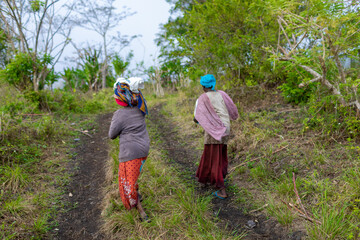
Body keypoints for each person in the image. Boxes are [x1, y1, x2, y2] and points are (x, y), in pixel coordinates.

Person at [108, 77, 150, 221]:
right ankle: (138, 199)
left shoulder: (119, 114)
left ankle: (138, 208)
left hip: (130, 154)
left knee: (128, 184)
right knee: (133, 177)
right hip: (144, 151)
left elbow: (111, 135)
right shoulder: (140, 110)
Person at [194, 74, 239, 199]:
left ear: (203, 86)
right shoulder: (222, 94)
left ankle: (221, 188)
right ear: (213, 84)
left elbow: (197, 117)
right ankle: (205, 179)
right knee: (219, 154)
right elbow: (233, 110)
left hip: (214, 129)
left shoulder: (203, 98)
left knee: (213, 157)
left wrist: (199, 120)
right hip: (226, 127)